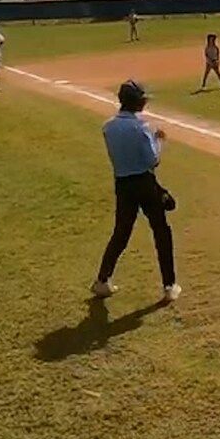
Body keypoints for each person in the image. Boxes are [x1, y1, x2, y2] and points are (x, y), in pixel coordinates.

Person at [91, 80, 180, 303]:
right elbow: (152, 160)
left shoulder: (108, 127)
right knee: (161, 231)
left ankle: (102, 280)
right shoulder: (141, 127)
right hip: (144, 183)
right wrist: (159, 141)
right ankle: (169, 285)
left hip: (122, 183)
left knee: (121, 233)